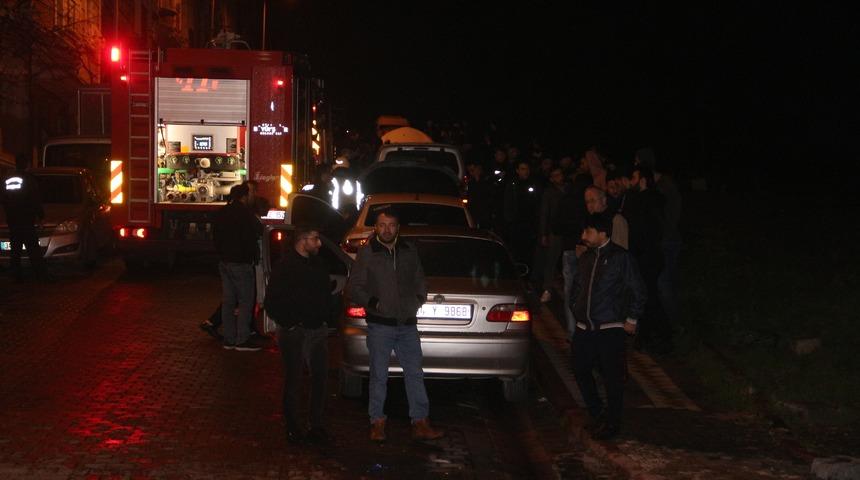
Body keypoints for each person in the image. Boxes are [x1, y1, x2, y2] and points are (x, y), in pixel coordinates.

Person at [346, 207, 444, 442]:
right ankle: (377, 422)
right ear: (376, 227)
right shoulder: (368, 253)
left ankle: (420, 422)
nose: (387, 229)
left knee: (415, 374)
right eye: (382, 225)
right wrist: (374, 303)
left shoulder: (409, 250)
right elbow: (354, 287)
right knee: (379, 375)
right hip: (380, 325)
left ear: (398, 228)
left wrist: (417, 300)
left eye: (391, 225)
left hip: (407, 325)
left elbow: (419, 279)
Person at [570, 213, 647, 440]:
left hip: (609, 327)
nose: (583, 236)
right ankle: (597, 412)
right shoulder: (586, 258)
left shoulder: (620, 258)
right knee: (580, 369)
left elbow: (638, 290)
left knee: (612, 377)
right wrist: (575, 307)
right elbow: (577, 287)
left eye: (588, 231)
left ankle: (613, 423)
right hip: (584, 327)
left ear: (602, 233)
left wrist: (632, 318)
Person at [264, 225, 332, 446]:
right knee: (294, 379)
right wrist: (290, 323)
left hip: (316, 329)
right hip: (295, 331)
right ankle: (293, 427)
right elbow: (271, 301)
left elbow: (325, 294)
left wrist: (325, 317)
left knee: (319, 378)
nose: (319, 243)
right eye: (315, 239)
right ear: (303, 241)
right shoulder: (286, 266)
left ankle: (316, 425)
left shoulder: (318, 264)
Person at [213, 184, 265, 351]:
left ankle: (229, 339)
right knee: (245, 301)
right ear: (244, 196)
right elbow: (259, 230)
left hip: (225, 261)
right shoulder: (246, 214)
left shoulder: (222, 212)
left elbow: (215, 235)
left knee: (228, 301)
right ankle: (243, 339)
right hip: (241, 262)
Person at [1, 154, 48, 282]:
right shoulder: (29, 179)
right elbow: (35, 199)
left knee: (15, 249)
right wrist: (41, 217)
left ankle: (16, 275)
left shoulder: (6, 179)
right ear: (26, 164)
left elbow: (3, 199)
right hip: (26, 220)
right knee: (33, 248)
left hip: (12, 220)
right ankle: (40, 275)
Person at [536, 166, 567, 302]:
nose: (558, 177)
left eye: (559, 174)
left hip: (568, 231)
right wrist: (543, 233)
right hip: (554, 231)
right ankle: (547, 289)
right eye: (555, 175)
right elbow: (544, 213)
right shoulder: (549, 192)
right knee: (551, 260)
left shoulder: (568, 189)